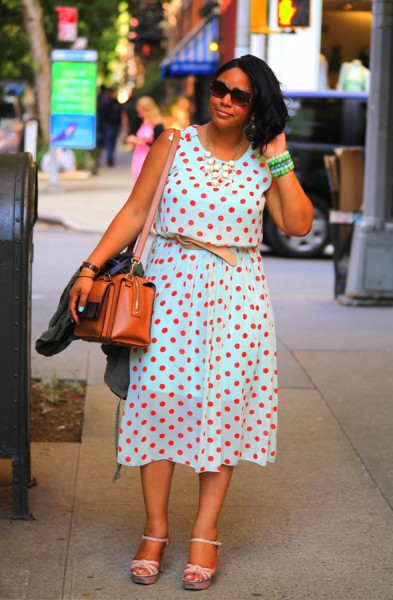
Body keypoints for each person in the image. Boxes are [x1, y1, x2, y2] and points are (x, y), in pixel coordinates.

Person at [68, 54, 313, 590]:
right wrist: (88, 269)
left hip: (237, 302)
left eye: (240, 95)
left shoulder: (262, 161)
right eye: (220, 88)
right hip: (168, 294)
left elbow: (297, 224)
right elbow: (134, 213)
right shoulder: (174, 143)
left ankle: (206, 532)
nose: (225, 99)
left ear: (258, 106)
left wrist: (279, 158)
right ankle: (155, 531)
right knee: (158, 405)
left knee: (220, 412)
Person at [125, 96, 164, 184]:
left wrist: (141, 142)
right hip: (138, 156)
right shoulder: (141, 121)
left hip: (149, 157)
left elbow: (160, 144)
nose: (139, 113)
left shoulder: (157, 125)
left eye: (141, 110)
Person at [101, 86, 123, 166]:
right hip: (109, 125)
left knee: (111, 143)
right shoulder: (109, 102)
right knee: (110, 143)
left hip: (114, 126)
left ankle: (110, 157)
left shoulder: (115, 102)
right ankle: (110, 157)